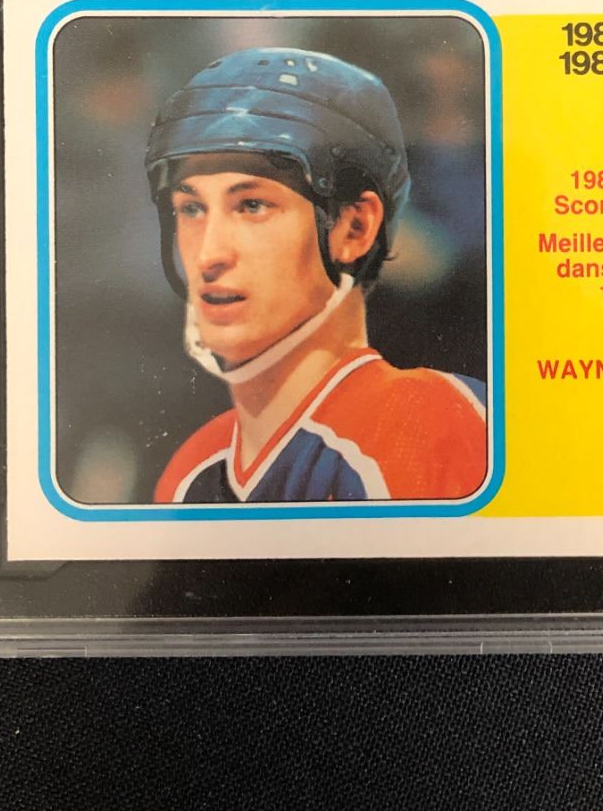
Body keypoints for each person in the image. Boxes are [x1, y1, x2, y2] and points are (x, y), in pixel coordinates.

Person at [144, 46, 487, 504]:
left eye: (252, 205)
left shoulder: (427, 422)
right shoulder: (195, 461)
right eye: (191, 208)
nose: (209, 253)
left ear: (355, 226)